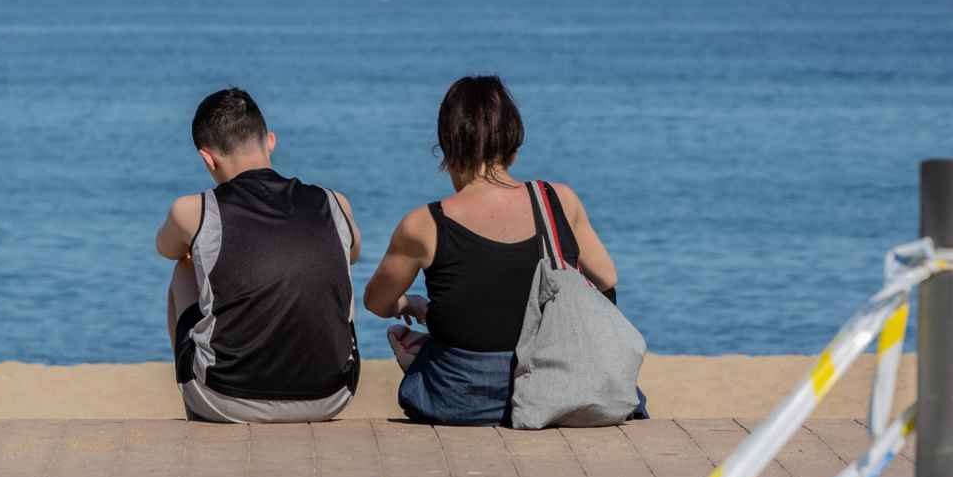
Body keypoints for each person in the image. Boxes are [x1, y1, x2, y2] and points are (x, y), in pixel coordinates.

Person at [362, 75, 629, 425]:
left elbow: (376, 302)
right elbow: (607, 279)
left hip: (462, 398)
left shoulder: (423, 224)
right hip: (558, 388)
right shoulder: (558, 201)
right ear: (514, 149)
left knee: (411, 340)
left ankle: (421, 359)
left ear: (446, 150)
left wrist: (407, 303)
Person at [156, 88, 363, 422]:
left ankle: (195, 400)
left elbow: (165, 248)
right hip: (333, 394)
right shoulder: (335, 202)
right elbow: (352, 254)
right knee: (331, 262)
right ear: (270, 140)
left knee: (184, 266)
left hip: (226, 398)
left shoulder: (193, 210)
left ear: (207, 158)